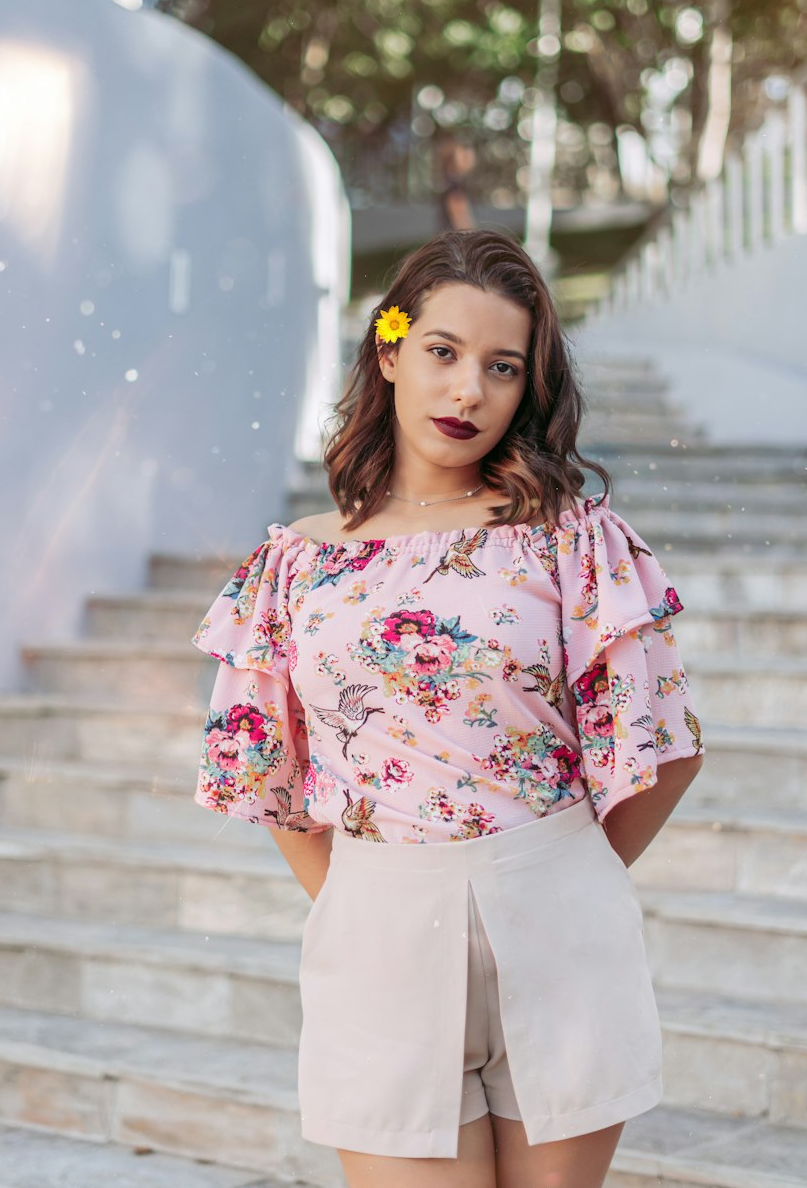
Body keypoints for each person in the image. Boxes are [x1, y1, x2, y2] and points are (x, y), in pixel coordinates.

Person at [190, 229, 706, 1188]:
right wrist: (375, 896)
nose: (468, 391)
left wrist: (563, 873)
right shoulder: (296, 563)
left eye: (502, 368)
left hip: (561, 917)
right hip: (378, 926)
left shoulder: (574, 541)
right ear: (389, 353)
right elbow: (268, 779)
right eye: (442, 352)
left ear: (527, 390)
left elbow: (666, 748)